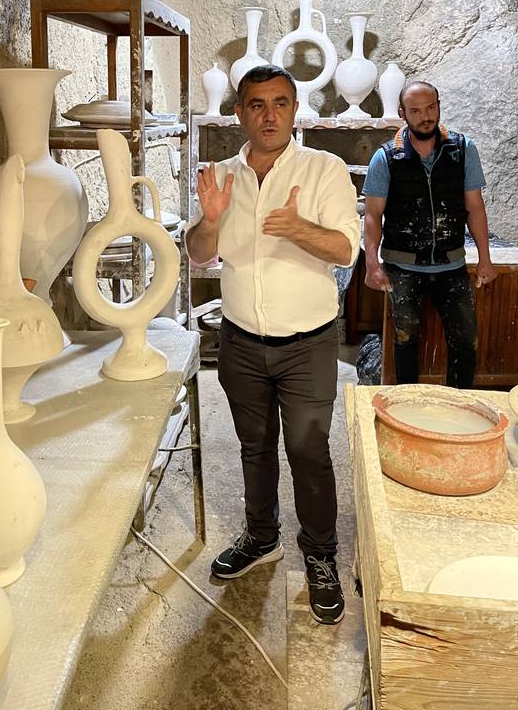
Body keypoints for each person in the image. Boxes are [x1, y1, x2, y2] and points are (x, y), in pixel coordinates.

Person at [185, 65, 359, 624]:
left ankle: (321, 555)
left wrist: (297, 227)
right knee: (254, 447)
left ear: (294, 111)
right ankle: (262, 537)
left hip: (308, 344)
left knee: (308, 451)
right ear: (239, 112)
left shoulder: (324, 169)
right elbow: (198, 254)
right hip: (240, 341)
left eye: (280, 103)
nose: (269, 115)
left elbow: (346, 250)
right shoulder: (221, 176)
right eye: (257, 104)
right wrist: (210, 222)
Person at [363, 80, 497, 388]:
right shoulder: (386, 158)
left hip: (452, 265)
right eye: (415, 111)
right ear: (402, 113)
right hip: (402, 267)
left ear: (438, 106)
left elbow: (475, 207)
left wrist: (485, 258)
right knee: (405, 340)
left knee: (466, 341)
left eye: (431, 108)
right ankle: (407, 403)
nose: (425, 117)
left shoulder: (462, 150)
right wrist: (372, 262)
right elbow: (372, 215)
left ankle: (459, 403)